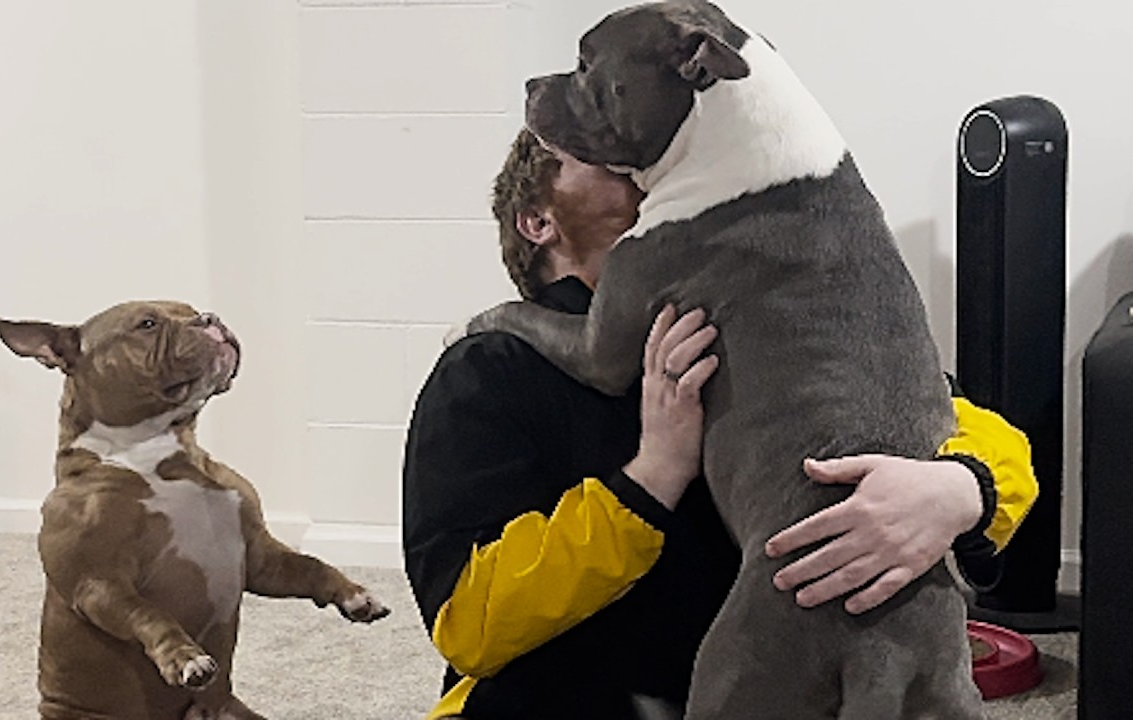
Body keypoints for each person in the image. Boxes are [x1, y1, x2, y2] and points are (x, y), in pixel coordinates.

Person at [402, 128, 1038, 719]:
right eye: (594, 155)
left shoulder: (756, 317)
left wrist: (962, 487)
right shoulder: (487, 369)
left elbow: (963, 423)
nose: (641, 163)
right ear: (539, 220)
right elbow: (470, 623)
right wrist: (650, 478)